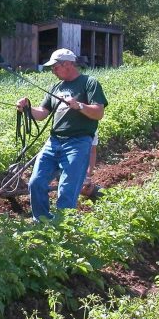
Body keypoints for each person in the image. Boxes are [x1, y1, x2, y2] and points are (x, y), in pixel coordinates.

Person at [16, 48, 107, 221]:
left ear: (67, 64)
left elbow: (99, 113)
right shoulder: (56, 87)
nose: (53, 71)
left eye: (55, 67)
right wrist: (28, 107)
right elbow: (42, 113)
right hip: (54, 142)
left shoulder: (89, 83)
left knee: (67, 190)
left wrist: (79, 106)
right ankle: (42, 223)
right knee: (36, 183)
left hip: (78, 143)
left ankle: (61, 230)